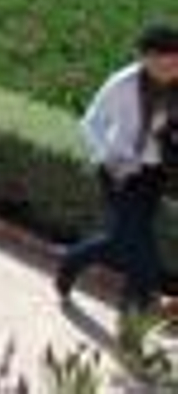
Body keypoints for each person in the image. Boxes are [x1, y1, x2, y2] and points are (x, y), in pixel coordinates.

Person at [57, 23, 178, 314]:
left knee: (122, 239)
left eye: (176, 61)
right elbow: (91, 122)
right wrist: (109, 157)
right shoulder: (123, 83)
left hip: (155, 172)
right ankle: (137, 310)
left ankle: (71, 262)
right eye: (165, 62)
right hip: (118, 171)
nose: (172, 68)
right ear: (146, 59)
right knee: (141, 246)